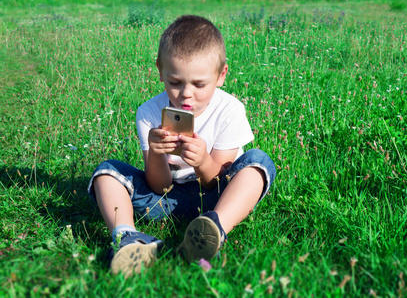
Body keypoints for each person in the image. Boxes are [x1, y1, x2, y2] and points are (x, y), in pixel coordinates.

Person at [88, 15, 276, 278]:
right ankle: (128, 237)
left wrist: (202, 162)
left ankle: (214, 228)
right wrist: (156, 152)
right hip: (164, 199)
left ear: (221, 75)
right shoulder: (149, 113)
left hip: (216, 197)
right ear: (160, 70)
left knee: (258, 162)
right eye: (175, 82)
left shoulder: (230, 110)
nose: (186, 93)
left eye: (199, 84)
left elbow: (214, 182)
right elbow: (158, 187)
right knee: (107, 172)